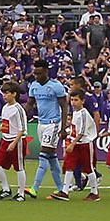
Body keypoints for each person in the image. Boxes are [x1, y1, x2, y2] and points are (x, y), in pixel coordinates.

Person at [27, 61, 68, 198]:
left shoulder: (56, 86)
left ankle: (34, 188)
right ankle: (61, 189)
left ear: (46, 71)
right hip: (41, 123)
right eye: (35, 73)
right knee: (51, 157)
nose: (37, 76)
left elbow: (64, 106)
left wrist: (63, 128)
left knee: (43, 154)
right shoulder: (34, 86)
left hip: (53, 124)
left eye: (39, 73)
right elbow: (30, 104)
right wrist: (21, 117)